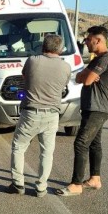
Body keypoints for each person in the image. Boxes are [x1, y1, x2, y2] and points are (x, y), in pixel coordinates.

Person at [7, 34, 71, 197]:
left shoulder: (33, 60)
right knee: (47, 152)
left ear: (43, 46)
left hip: (31, 113)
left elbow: (24, 76)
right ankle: (41, 187)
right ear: (60, 49)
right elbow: (64, 85)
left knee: (19, 147)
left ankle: (18, 184)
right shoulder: (65, 67)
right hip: (52, 115)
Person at [57, 25, 108, 196]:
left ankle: (76, 184)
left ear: (98, 40)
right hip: (93, 107)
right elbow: (79, 77)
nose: (86, 42)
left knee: (81, 143)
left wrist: (87, 76)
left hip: (97, 108)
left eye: (88, 39)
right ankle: (94, 179)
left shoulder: (105, 59)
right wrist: (86, 75)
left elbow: (88, 80)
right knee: (94, 144)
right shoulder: (96, 59)